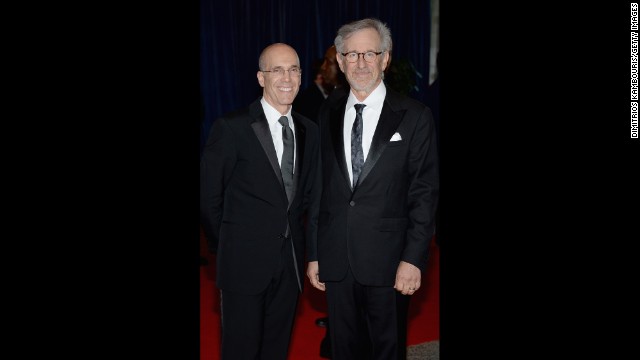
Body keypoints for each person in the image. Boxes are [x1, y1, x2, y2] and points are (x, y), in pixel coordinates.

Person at [306, 18, 439, 360]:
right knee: (342, 348)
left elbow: (424, 194)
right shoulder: (329, 110)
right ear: (340, 61)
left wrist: (413, 259)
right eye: (352, 54)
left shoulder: (414, 115)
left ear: (385, 59)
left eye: (370, 53)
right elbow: (319, 185)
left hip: (390, 260)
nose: (361, 63)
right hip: (336, 257)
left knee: (386, 349)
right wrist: (314, 251)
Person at [200, 42, 320, 360]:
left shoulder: (310, 131)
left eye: (293, 69)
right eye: (276, 69)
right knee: (240, 350)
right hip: (243, 264)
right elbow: (209, 198)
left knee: (276, 350)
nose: (287, 77)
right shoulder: (231, 128)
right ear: (260, 77)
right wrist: (226, 245)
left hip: (290, 264)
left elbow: (309, 200)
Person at [294, 45, 347, 124]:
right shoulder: (332, 99)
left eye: (328, 62)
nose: (323, 67)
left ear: (341, 65)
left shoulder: (350, 99)